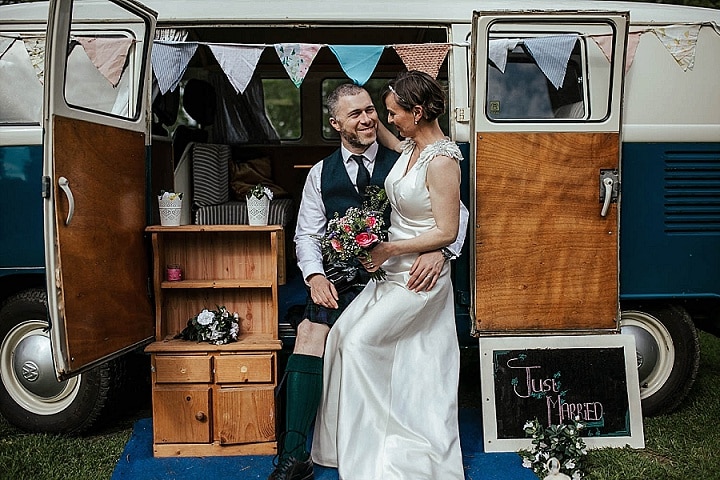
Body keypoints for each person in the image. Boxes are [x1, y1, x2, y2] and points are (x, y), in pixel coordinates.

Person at [268, 82, 467, 480]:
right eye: (355, 114)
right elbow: (306, 234)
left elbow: (455, 215)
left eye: (371, 110)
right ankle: (294, 456)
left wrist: (441, 250)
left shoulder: (405, 153)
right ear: (335, 123)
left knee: (355, 341)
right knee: (310, 332)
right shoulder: (320, 174)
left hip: (393, 274)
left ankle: (378, 440)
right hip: (340, 279)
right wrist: (314, 275)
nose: (368, 118)